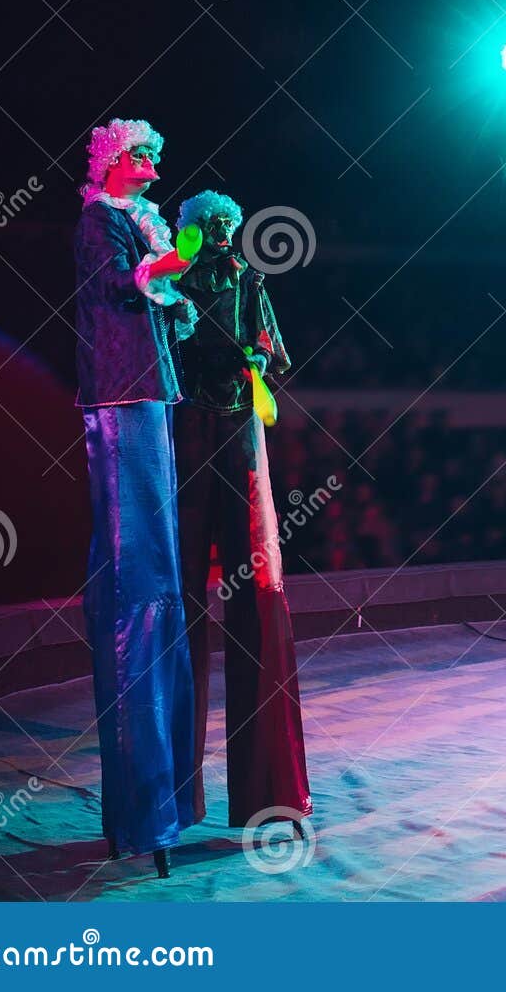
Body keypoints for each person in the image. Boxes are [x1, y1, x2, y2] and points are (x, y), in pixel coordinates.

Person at [73, 118, 199, 877]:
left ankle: (166, 800)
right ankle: (144, 799)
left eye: (157, 155)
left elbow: (152, 293)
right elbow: (116, 286)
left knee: (161, 572)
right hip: (119, 402)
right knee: (136, 574)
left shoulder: (139, 220)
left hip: (148, 395)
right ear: (117, 162)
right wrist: (164, 268)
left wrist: (176, 283)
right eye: (144, 156)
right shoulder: (97, 222)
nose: (154, 167)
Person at [172, 190, 312, 833]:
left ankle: (262, 790)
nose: (226, 231)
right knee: (179, 599)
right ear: (194, 230)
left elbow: (270, 349)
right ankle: (173, 798)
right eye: (214, 223)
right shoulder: (170, 278)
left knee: (255, 593)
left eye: (233, 222)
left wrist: (255, 359)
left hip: (236, 439)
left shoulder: (249, 281)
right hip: (184, 435)